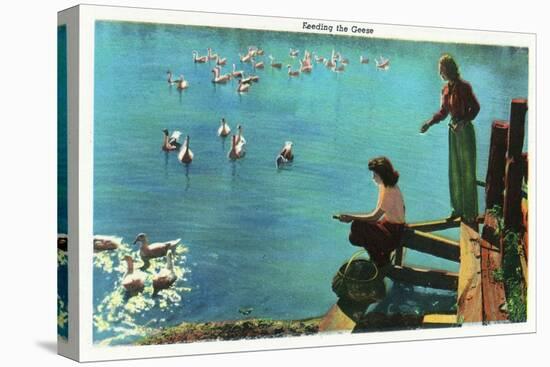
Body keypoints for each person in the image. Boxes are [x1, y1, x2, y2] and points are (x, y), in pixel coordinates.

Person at [420, 54, 480, 223]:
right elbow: (443, 112)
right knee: (454, 171)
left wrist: (463, 122)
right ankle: (457, 209)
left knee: (467, 172)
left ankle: (469, 213)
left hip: (465, 131)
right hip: (453, 132)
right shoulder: (445, 89)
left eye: (442, 69)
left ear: (450, 69)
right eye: (439, 69)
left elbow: (475, 108)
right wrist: (429, 123)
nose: (440, 72)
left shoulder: (464, 87)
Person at [336, 156, 406, 268]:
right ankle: (381, 256)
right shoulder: (386, 186)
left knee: (357, 226)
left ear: (382, 175)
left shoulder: (389, 191)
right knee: (354, 237)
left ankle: (379, 260)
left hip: (393, 234)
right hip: (391, 227)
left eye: (375, 175)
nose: (373, 177)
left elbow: (374, 217)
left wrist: (351, 217)